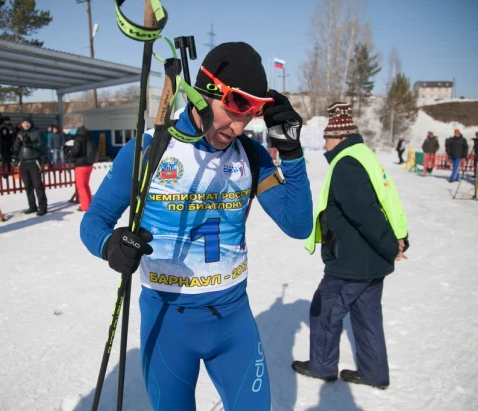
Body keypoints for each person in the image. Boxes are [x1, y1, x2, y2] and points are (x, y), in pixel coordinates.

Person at [80, 42, 313, 410]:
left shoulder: (249, 156)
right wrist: (111, 245)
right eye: (234, 109)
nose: (239, 127)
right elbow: (94, 221)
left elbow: (298, 225)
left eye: (251, 114)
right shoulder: (148, 150)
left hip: (233, 320)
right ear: (204, 94)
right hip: (166, 322)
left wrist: (291, 152)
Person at [294, 102, 409, 390]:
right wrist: (398, 238)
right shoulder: (363, 155)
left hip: (350, 262)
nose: (324, 144)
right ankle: (374, 373)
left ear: (341, 138)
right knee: (366, 316)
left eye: (327, 137)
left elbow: (367, 213)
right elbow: (387, 201)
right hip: (369, 261)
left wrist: (389, 246)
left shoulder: (346, 164)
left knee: (324, 311)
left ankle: (322, 367)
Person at [13, 117, 48, 216]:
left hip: (34, 161)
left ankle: (43, 207)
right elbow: (16, 147)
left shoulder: (37, 132)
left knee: (38, 185)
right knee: (28, 186)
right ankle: (32, 206)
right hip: (23, 162)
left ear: (31, 123)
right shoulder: (19, 133)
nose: (26, 125)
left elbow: (40, 145)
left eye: (27, 123)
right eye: (24, 123)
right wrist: (15, 156)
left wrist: (28, 142)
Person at [68, 126, 94, 211]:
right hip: (89, 164)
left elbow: (75, 151)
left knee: (81, 186)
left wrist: (69, 151)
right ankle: (89, 203)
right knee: (86, 185)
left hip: (80, 165)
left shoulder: (78, 139)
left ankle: (85, 206)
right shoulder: (89, 138)